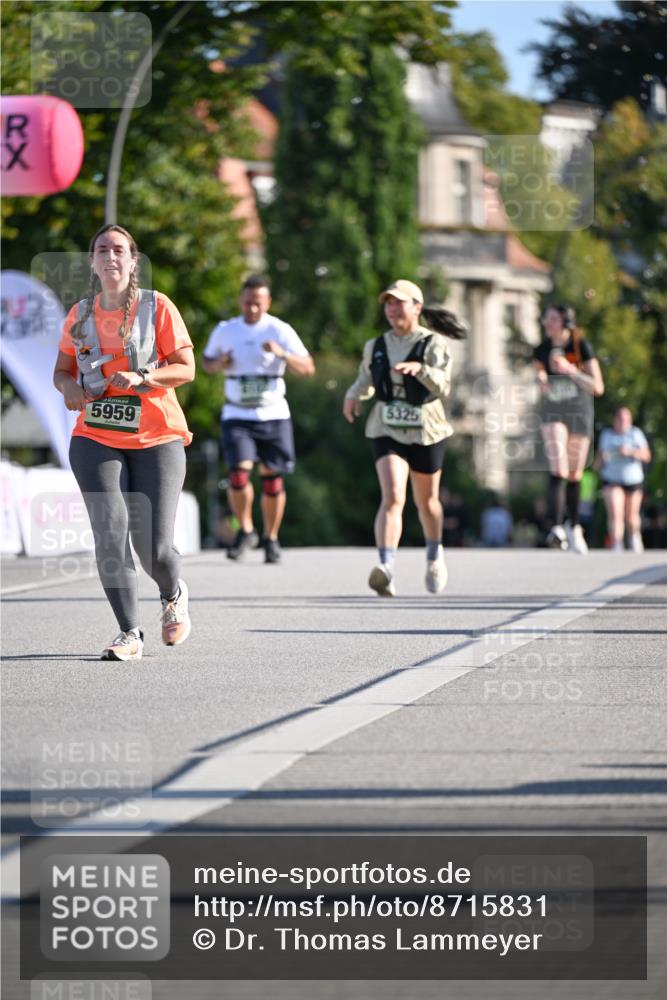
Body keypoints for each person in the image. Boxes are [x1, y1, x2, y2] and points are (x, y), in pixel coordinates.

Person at [53, 224, 195, 661]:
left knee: (153, 548)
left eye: (119, 250)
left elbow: (186, 368)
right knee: (111, 536)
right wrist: (69, 390)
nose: (110, 256)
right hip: (96, 436)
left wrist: (143, 377)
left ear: (133, 262)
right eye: (102, 250)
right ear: (93, 263)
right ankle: (129, 632)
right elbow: (61, 372)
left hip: (157, 436)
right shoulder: (79, 316)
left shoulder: (158, 307)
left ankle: (172, 592)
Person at [343, 279, 466, 596]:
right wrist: (353, 395)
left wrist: (420, 369)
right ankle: (386, 568)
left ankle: (435, 556)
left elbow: (444, 387)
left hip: (427, 428)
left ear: (417, 308)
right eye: (389, 303)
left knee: (426, 502)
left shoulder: (434, 344)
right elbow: (366, 379)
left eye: (400, 302)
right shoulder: (376, 345)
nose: (393, 308)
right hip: (387, 426)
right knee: (393, 495)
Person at [201, 275, 315, 563]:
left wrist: (282, 353)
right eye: (248, 303)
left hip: (273, 412)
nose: (252, 309)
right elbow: (206, 363)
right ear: (241, 300)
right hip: (237, 412)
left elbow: (308, 368)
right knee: (238, 474)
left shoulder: (280, 330)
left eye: (258, 304)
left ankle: (271, 537)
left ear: (268, 303)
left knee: (271, 479)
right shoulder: (226, 330)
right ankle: (246, 530)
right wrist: (220, 363)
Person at [533, 304, 604, 554]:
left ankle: (573, 526)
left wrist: (571, 370)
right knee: (558, 467)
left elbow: (598, 387)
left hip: (579, 412)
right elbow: (539, 372)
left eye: (552, 318)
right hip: (554, 411)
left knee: (574, 474)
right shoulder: (542, 348)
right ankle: (556, 527)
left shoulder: (580, 346)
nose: (547, 322)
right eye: (546, 318)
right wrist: (541, 379)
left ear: (565, 321)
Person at [595, 406, 651, 551]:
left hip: (633, 479)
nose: (623, 422)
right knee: (615, 512)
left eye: (626, 419)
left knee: (631, 515)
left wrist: (630, 452)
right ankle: (617, 542)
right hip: (612, 479)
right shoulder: (607, 435)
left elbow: (646, 456)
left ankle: (634, 537)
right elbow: (598, 462)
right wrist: (602, 459)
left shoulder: (635, 434)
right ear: (615, 420)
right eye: (620, 419)